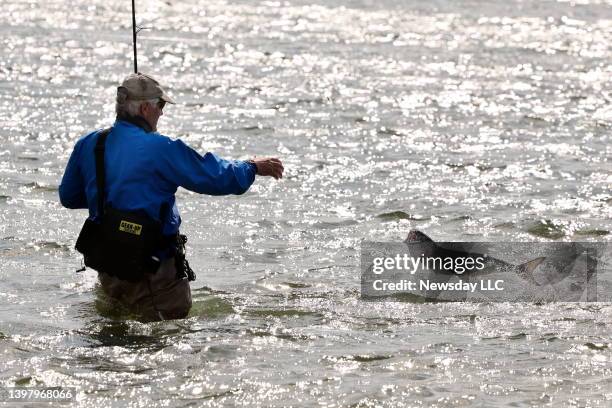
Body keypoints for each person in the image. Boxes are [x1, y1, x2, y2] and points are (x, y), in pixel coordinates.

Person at [59, 72, 284, 321]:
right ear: (145, 108)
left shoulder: (89, 143)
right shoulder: (161, 148)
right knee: (168, 341)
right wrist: (252, 167)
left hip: (108, 266)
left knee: (115, 331)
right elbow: (214, 177)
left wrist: (112, 201)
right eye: (161, 105)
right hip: (154, 271)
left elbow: (69, 196)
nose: (162, 113)